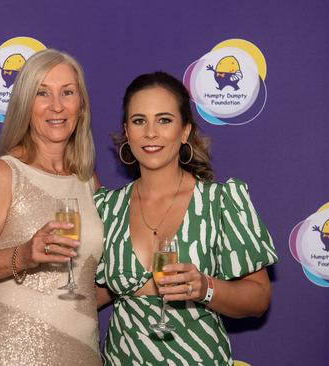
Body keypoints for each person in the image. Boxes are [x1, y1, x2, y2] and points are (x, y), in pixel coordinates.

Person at [0, 49, 103, 366]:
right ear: (26, 105)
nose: (56, 105)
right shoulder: (4, 174)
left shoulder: (89, 182)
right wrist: (22, 256)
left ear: (81, 108)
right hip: (18, 353)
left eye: (67, 92)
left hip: (84, 352)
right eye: (42, 93)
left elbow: (88, 287)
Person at [94, 71, 278, 365]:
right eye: (139, 120)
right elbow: (95, 293)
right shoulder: (106, 208)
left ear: (184, 131)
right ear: (127, 132)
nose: (151, 133)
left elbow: (258, 298)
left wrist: (205, 287)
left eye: (164, 120)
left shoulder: (220, 202)